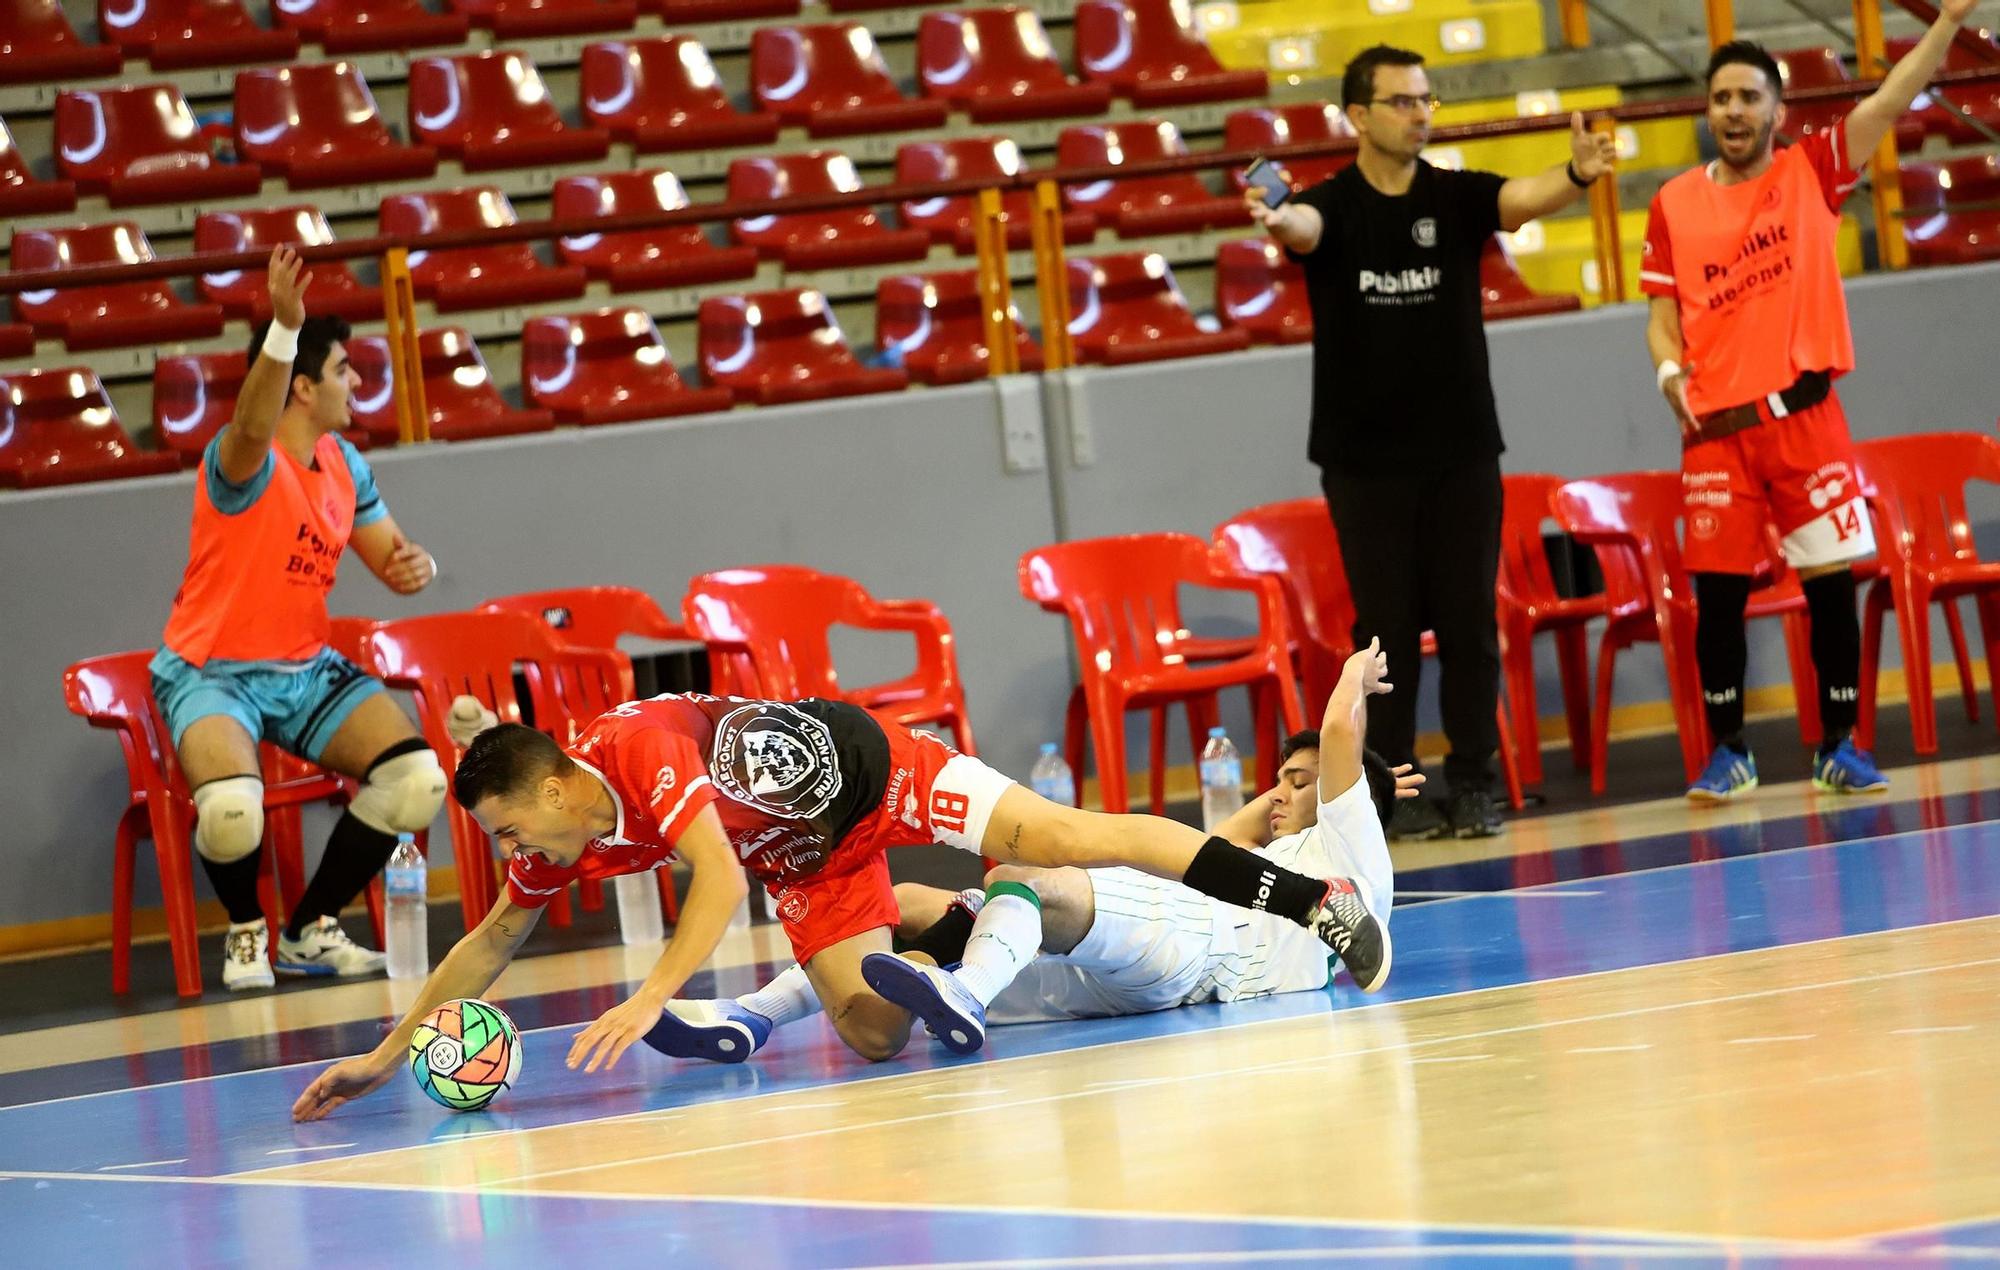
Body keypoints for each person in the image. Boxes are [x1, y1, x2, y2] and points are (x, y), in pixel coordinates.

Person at [291, 683, 1391, 1120]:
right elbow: (487, 940)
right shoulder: (556, 840)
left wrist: (653, 992)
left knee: (1068, 835)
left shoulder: (632, 752)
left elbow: (714, 879)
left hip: (871, 768)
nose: (505, 851)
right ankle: (940, 940)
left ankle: (1303, 897)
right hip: (805, 859)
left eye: (505, 827)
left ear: (549, 787)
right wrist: (387, 1055)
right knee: (870, 1034)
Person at [647, 644, 1411, 1060]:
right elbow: (1237, 836)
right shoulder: (1268, 854)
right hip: (1115, 979)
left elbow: (1341, 739)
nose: (1279, 792)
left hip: (1195, 947)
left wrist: (1353, 674)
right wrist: (1282, 794)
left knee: (1024, 877)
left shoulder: (1348, 845)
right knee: (908, 912)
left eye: (1297, 781)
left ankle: (967, 993)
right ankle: (756, 1016)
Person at [1245, 45, 1618, 842]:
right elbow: (1302, 226)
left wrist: (1579, 173)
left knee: (1467, 623)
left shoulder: (1451, 196)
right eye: (1404, 101)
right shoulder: (1334, 207)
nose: (1421, 113)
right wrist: (1277, 217)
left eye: (1426, 100)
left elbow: (1520, 199)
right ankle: (1391, 792)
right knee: (1384, 638)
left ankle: (1476, 781)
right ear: (1359, 116)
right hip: (1364, 462)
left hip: (1462, 452)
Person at [1640, 5, 1977, 802]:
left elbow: (1892, 101)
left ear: (1777, 110)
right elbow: (1663, 316)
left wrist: (1948, 23)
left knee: (1831, 585)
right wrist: (1665, 374)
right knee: (1716, 597)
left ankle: (1840, 745)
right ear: (1707, 108)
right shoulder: (1674, 202)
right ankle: (1731, 755)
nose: (1733, 110)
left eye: (1749, 97)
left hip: (1807, 420)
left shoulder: (1813, 171)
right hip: (1716, 432)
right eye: (1721, 96)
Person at [151, 248, 446, 991]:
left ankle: (310, 927)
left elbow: (392, 557)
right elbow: (253, 420)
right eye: (344, 370)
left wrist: (418, 568)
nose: (357, 383)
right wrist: (284, 327)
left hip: (304, 667)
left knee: (415, 780)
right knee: (229, 812)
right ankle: (246, 932)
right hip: (212, 670)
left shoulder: (344, 460)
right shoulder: (241, 461)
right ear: (303, 386)